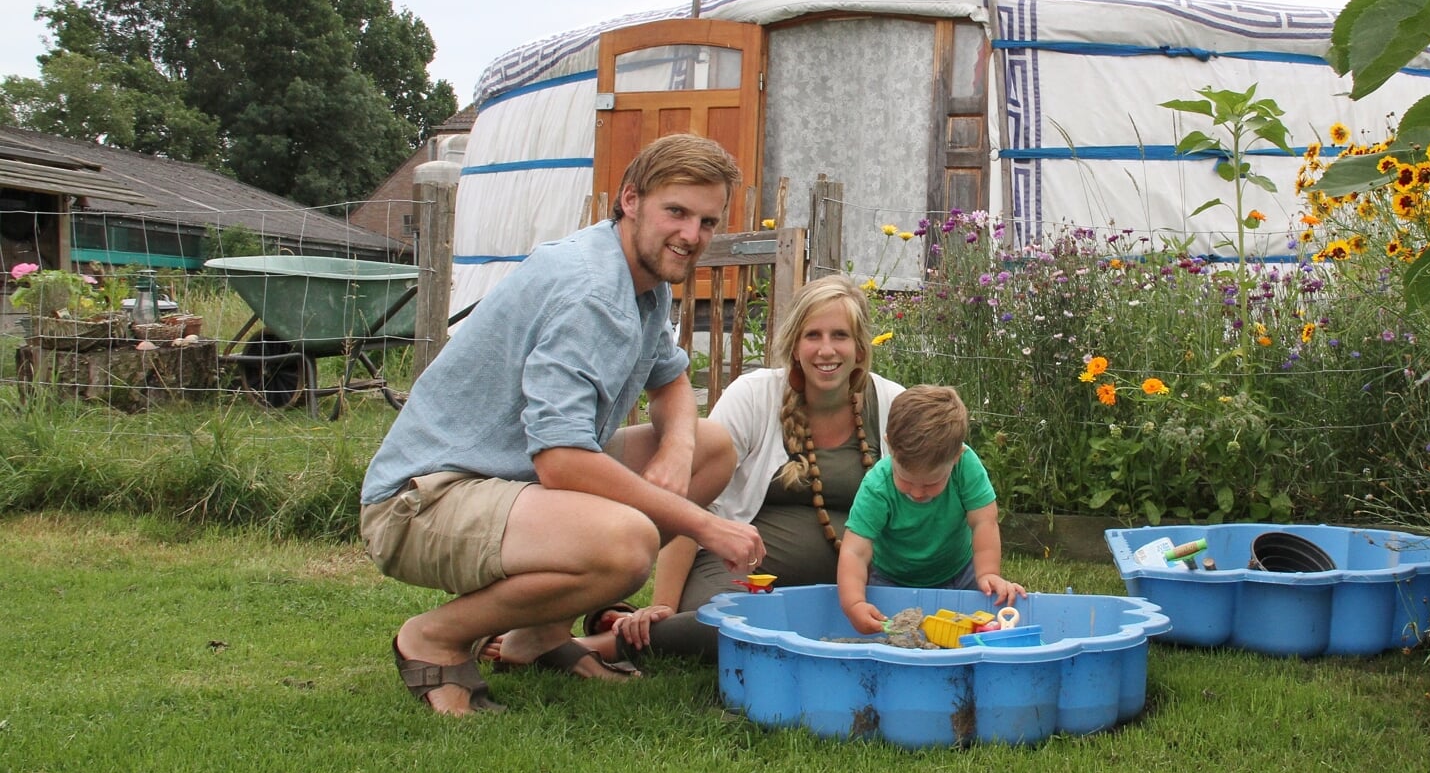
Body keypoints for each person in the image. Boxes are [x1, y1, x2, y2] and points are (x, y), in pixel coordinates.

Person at [360, 134, 765, 716]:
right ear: (631, 200)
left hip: (511, 484)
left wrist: (677, 448)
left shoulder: (642, 281)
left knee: (712, 447)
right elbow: (562, 459)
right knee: (624, 544)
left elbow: (672, 380)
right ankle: (435, 637)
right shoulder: (592, 290)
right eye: (676, 212)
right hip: (423, 501)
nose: (692, 236)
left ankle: (539, 635)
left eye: (707, 221)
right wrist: (705, 525)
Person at [602, 274, 905, 660]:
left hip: (855, 584)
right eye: (813, 335)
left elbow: (952, 480)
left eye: (840, 336)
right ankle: (605, 645)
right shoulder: (754, 395)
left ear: (861, 348)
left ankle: (629, 638)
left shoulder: (893, 403)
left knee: (891, 624)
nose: (826, 350)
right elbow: (691, 498)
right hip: (740, 572)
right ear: (795, 345)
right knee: (719, 627)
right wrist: (663, 603)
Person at [836, 384, 1024, 634]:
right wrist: (855, 603)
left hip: (961, 572)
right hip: (892, 579)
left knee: (973, 631)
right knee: (897, 638)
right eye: (905, 480)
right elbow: (855, 551)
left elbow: (984, 522)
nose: (917, 492)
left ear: (956, 456)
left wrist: (988, 572)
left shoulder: (965, 467)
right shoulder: (877, 486)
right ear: (890, 446)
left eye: (932, 483)